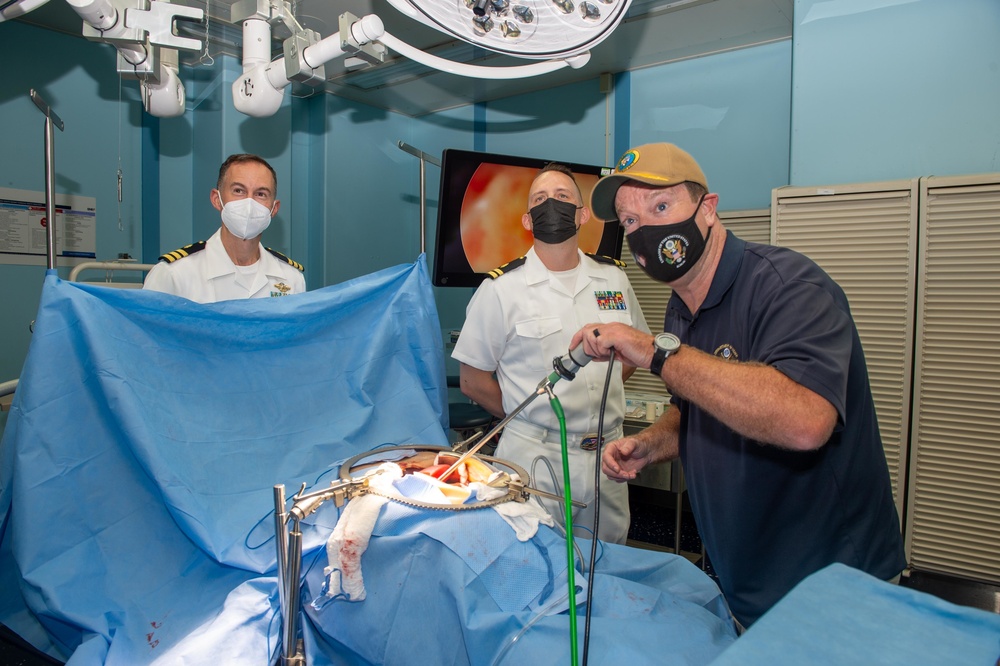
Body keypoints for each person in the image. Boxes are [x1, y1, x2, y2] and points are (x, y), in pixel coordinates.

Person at [569, 142, 907, 627]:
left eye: (661, 207)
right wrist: (649, 444)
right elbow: (692, 407)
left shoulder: (789, 287)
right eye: (630, 222)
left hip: (832, 587)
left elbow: (806, 421)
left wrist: (654, 352)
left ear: (708, 209)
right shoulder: (680, 309)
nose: (645, 230)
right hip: (744, 582)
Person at [452, 163, 650, 544]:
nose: (551, 206)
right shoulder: (501, 290)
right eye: (540, 200)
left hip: (607, 458)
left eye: (562, 198)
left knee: (605, 570)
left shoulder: (613, 279)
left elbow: (634, 354)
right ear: (528, 220)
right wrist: (530, 416)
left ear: (583, 214)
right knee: (535, 570)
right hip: (534, 458)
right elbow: (472, 381)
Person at [143, 153, 305, 303]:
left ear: (274, 208)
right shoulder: (174, 274)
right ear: (217, 199)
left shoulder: (290, 278)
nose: (249, 203)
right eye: (238, 191)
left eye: (261, 194)